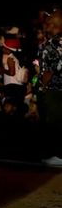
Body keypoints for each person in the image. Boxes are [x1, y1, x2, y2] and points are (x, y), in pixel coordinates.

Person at [37, 12, 62, 167]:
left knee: (54, 123)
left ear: (53, 25)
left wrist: (42, 87)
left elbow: (48, 71)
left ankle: (57, 155)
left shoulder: (50, 45)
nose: (46, 26)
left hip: (53, 90)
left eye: (48, 23)